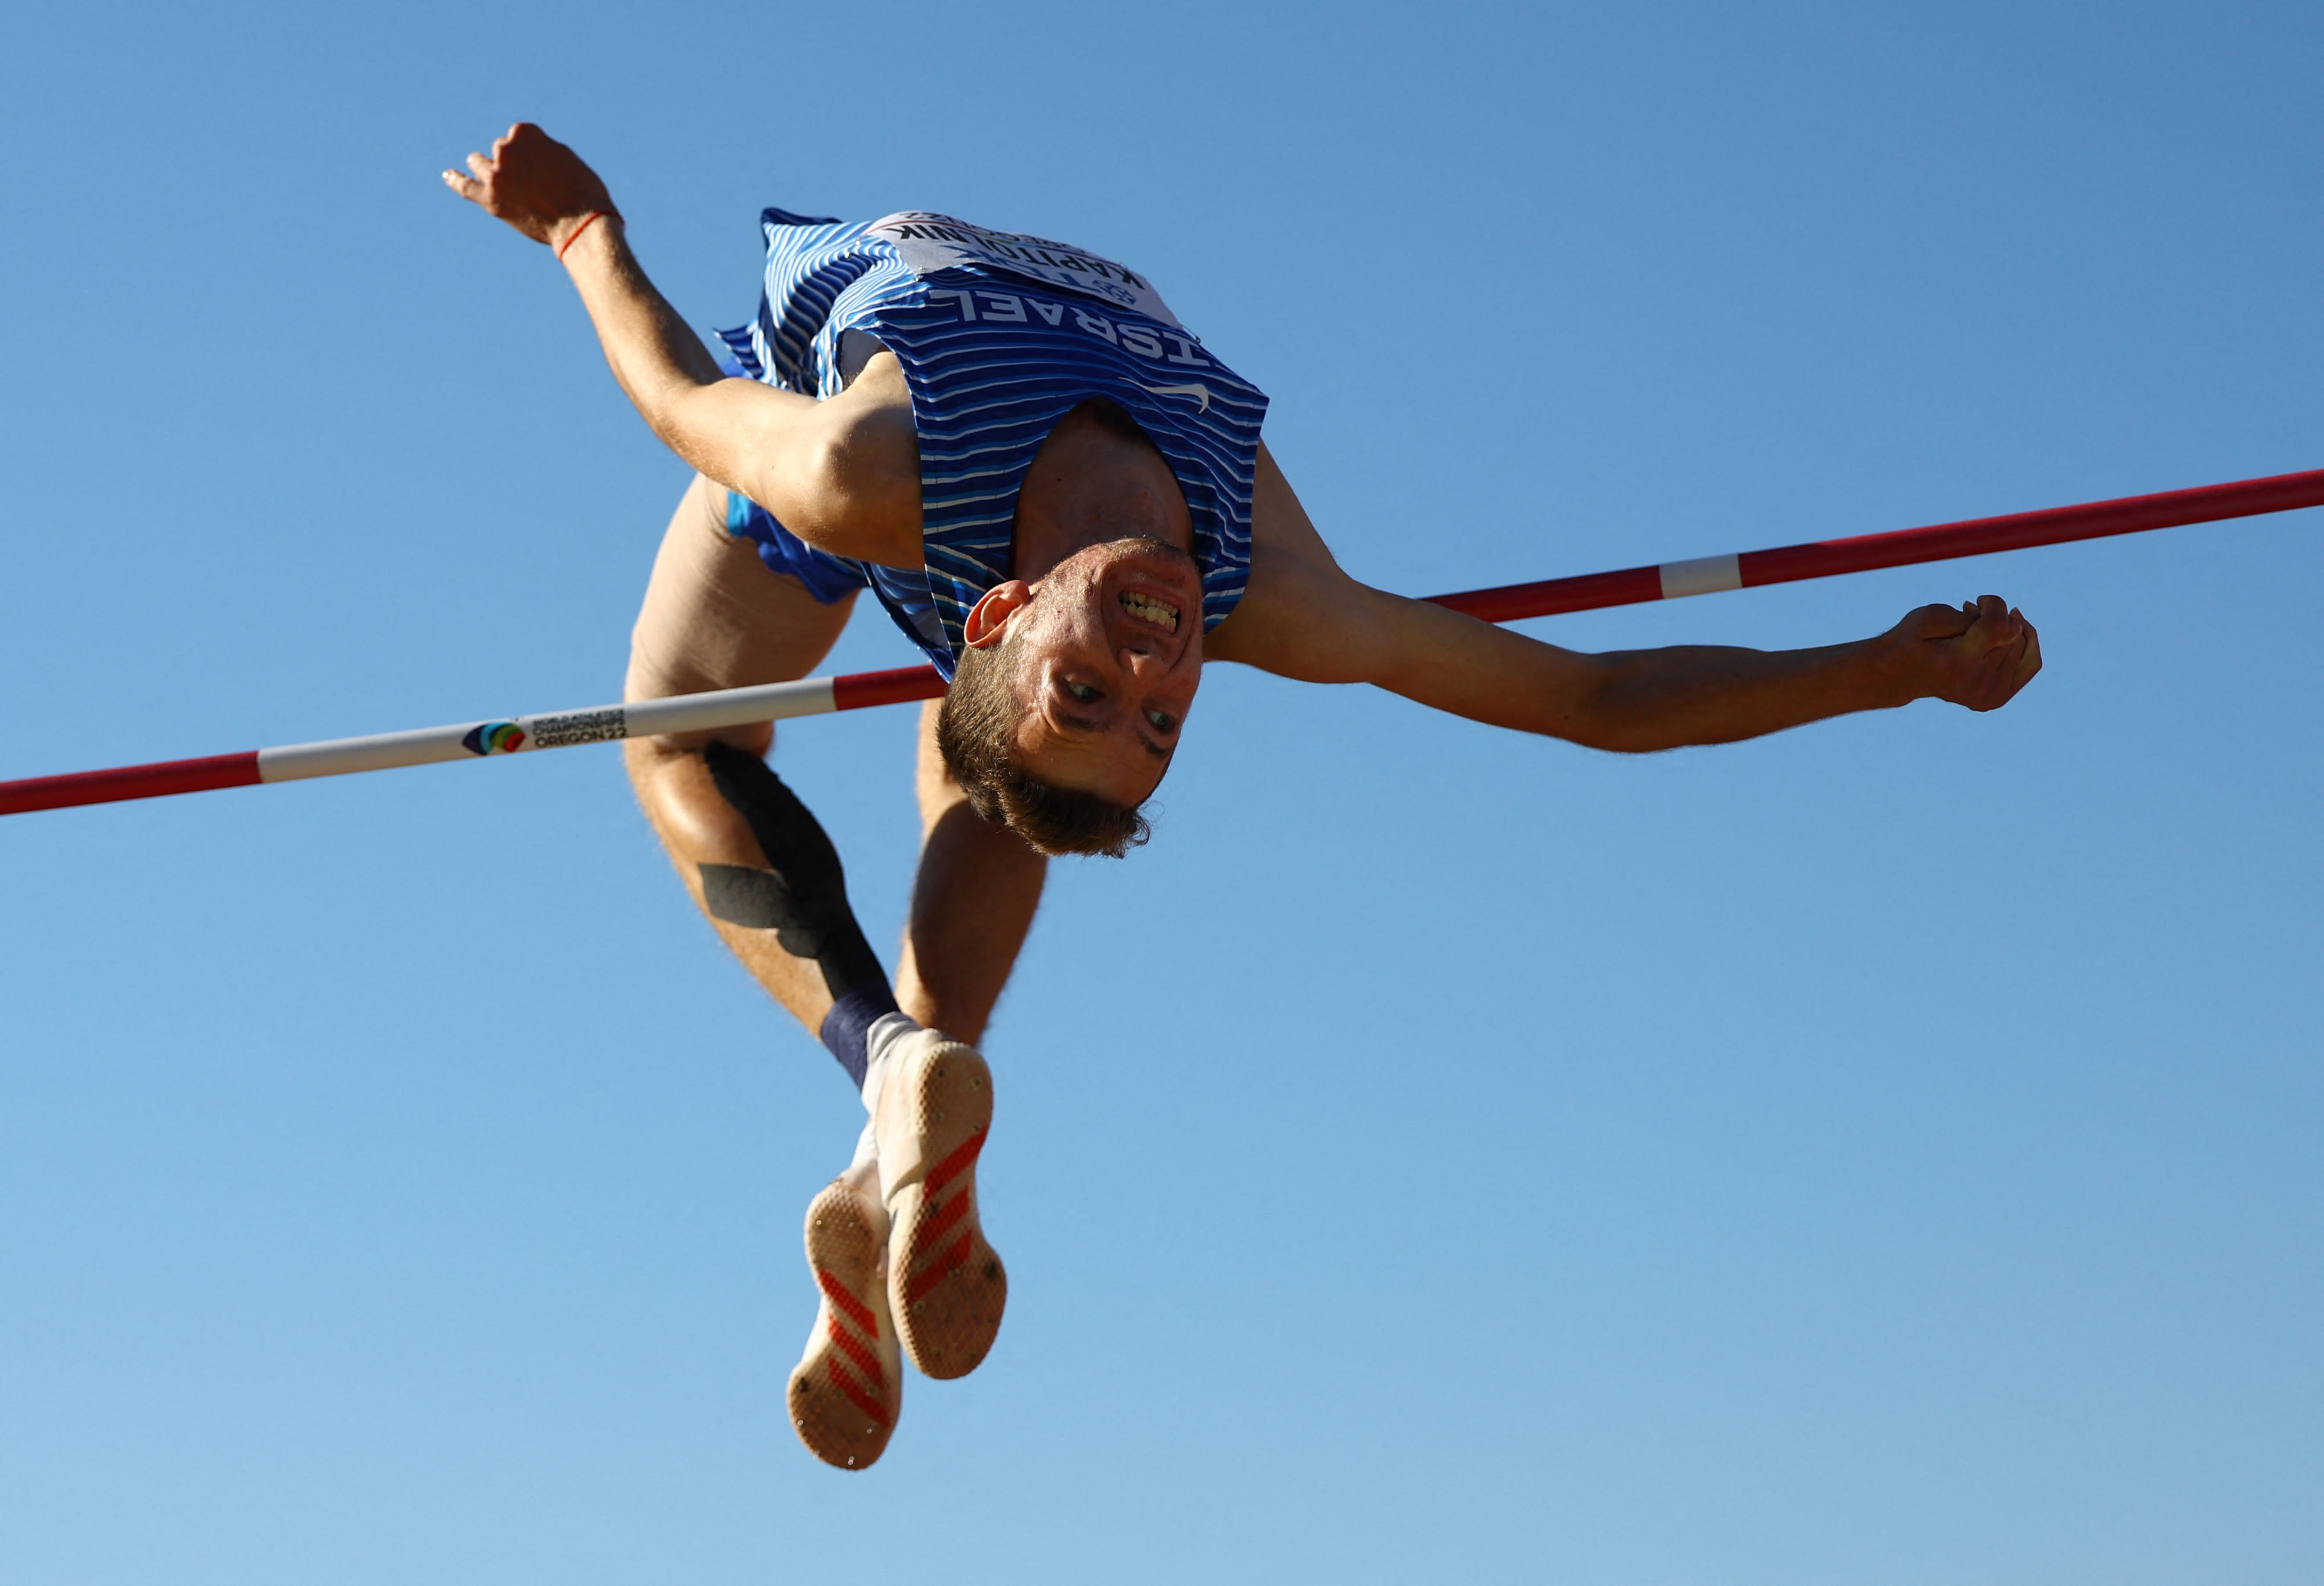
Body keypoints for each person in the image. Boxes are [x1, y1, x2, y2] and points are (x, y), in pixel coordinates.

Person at [444, 123, 2042, 1470]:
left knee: (683, 738)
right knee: (986, 764)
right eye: (1159, 718)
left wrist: (580, 227)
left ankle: (899, 1084)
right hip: (975, 421)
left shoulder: (868, 476)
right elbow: (1585, 699)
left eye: (1101, 689)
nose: (1155, 667)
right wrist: (1875, 667)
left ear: (988, 615)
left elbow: (676, 396)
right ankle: (905, 1099)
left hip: (928, 445)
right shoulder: (1262, 586)